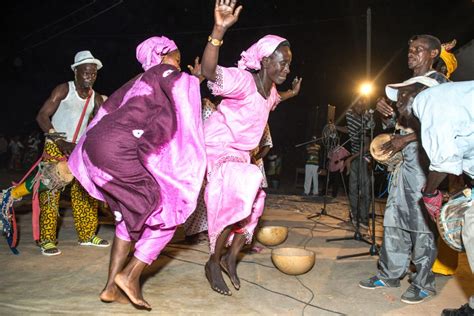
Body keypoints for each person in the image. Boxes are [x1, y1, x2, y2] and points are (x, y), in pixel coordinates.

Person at [68, 36, 206, 309]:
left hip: (97, 148)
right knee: (167, 208)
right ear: (161, 56)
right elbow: (180, 90)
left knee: (125, 216)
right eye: (177, 59)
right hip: (119, 149)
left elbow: (106, 112)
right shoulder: (163, 71)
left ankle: (110, 287)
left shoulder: (138, 80)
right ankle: (130, 275)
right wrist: (214, 40)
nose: (180, 66)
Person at [200, 0, 302, 296]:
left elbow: (275, 100)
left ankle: (231, 259)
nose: (286, 67)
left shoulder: (269, 92)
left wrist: (292, 93)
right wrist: (219, 30)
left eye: (289, 63)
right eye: (282, 62)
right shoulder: (242, 81)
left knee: (255, 203)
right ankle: (212, 261)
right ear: (265, 62)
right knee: (245, 185)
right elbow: (209, 72)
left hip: (241, 154)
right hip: (219, 148)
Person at [359, 34, 449, 304]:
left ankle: (423, 282)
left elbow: (444, 128)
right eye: (410, 49)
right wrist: (385, 113)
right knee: (394, 217)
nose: (411, 53)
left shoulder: (440, 85)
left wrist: (405, 139)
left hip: (425, 161)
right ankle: (390, 273)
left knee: (421, 220)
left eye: (419, 49)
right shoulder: (409, 84)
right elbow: (397, 125)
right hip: (403, 161)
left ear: (433, 53)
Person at [398, 80, 474, 315]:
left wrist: (429, 193)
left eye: (402, 96)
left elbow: (443, 162)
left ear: (418, 93)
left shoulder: (429, 100)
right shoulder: (453, 97)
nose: (398, 103)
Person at [34, 50, 108, 256]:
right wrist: (59, 140)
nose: (90, 77)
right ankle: (47, 240)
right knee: (50, 192)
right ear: (76, 71)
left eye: (93, 74)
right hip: (55, 145)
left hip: (78, 149)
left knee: (85, 191)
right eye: (86, 73)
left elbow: (99, 125)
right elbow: (42, 116)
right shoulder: (63, 90)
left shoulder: (97, 98)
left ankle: (87, 235)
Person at [335, 96, 371, 228]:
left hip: (365, 156)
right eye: (357, 105)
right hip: (355, 157)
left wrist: (350, 158)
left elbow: (367, 145)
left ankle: (364, 219)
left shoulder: (368, 118)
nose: (360, 108)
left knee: (365, 190)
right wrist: (335, 127)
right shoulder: (349, 114)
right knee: (353, 189)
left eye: (362, 106)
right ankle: (354, 216)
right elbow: (350, 130)